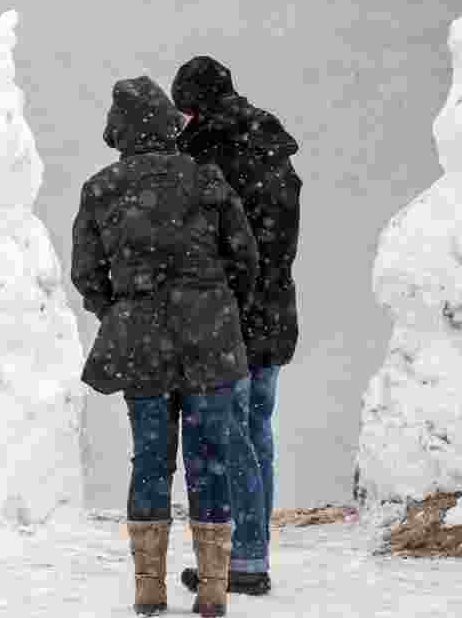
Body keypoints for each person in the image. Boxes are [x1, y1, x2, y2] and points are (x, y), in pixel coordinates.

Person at [71, 75, 259, 617]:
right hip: (210, 339)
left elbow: (87, 274)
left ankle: (148, 586)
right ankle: (214, 589)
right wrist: (217, 305)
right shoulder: (207, 182)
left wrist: (122, 308)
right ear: (170, 127)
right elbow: (245, 260)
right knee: (210, 460)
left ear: (120, 132)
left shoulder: (101, 188)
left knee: (151, 459)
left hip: (142, 341)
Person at [169, 56, 301, 597]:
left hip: (230, 316)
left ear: (192, 106)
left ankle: (242, 559)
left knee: (230, 439)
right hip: (274, 310)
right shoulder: (272, 145)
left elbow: (209, 245)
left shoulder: (204, 155)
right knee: (258, 434)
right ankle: (254, 550)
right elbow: (280, 239)